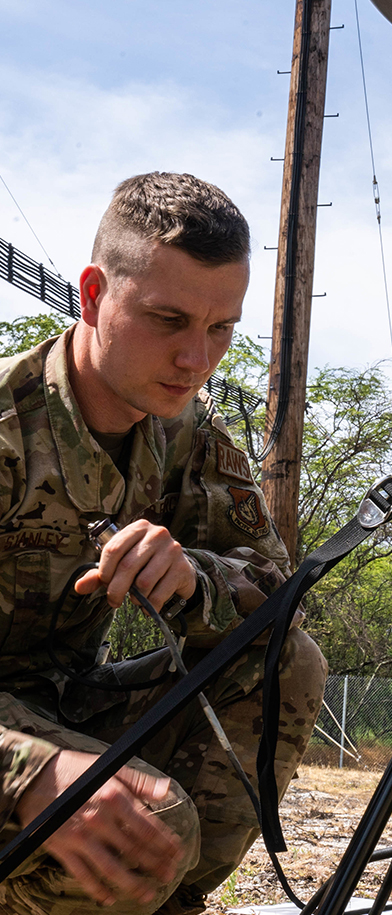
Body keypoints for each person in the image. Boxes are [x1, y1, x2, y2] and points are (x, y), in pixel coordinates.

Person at [0, 172, 327, 915]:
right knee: (145, 820)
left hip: (62, 700)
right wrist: (28, 774)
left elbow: (280, 595)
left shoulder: (186, 434)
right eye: (168, 319)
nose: (196, 359)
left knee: (285, 664)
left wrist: (193, 580)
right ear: (91, 295)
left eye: (221, 328)